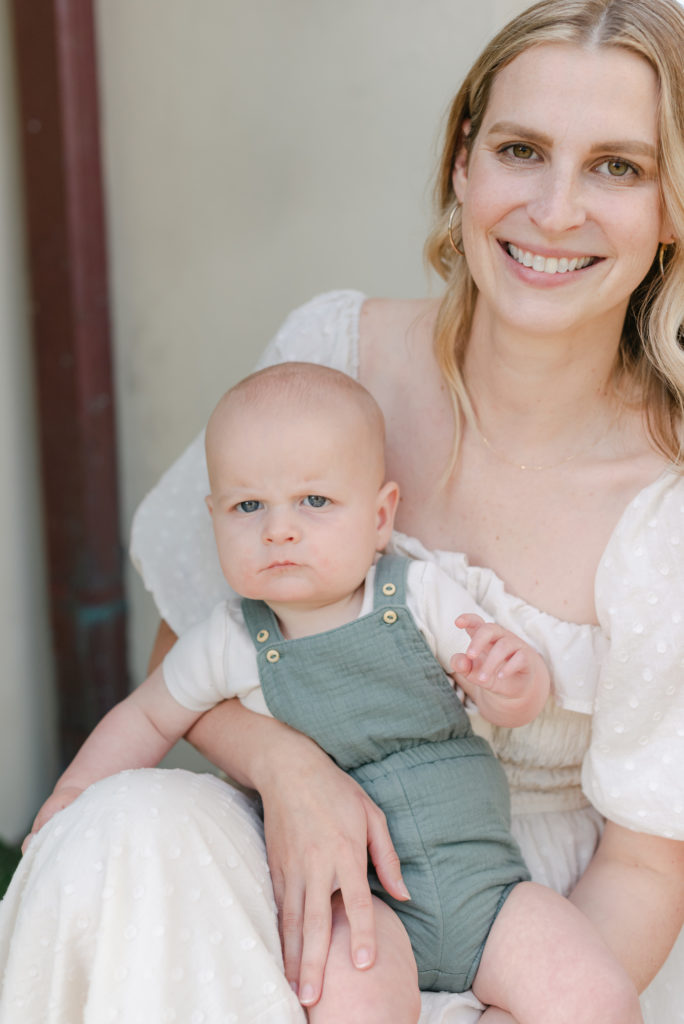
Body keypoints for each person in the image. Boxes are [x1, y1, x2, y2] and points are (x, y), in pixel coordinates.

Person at [1, 0, 683, 1022]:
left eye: (617, 167)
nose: (553, 209)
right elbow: (183, 660)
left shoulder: (664, 506)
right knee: (116, 828)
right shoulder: (332, 358)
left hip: (542, 926)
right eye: (521, 148)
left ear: (673, 205)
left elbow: (647, 866)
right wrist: (289, 769)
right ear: (463, 161)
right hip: (313, 882)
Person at [22, 361, 643, 1023]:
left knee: (595, 996)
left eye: (314, 502)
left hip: (487, 891)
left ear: (380, 517)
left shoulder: (415, 595)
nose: (279, 529)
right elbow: (147, 714)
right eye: (248, 505)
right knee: (345, 1001)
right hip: (357, 904)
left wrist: (515, 680)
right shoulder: (231, 640)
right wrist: (72, 792)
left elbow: (505, 701)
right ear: (214, 518)